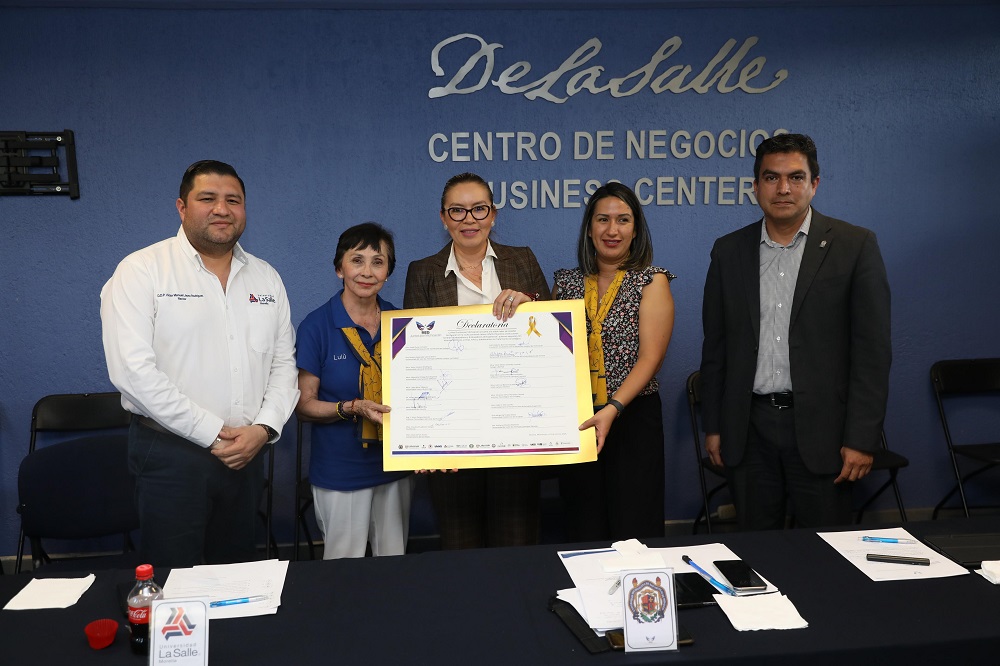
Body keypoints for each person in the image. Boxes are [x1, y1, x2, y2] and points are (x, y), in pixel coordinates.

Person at [101, 160, 299, 568]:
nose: (222, 209)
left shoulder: (266, 277)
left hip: (245, 455)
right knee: (173, 580)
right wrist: (212, 434)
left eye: (233, 200)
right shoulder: (142, 270)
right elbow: (132, 372)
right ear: (182, 207)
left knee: (236, 577)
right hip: (171, 455)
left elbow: (283, 365)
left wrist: (263, 429)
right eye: (207, 198)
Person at [699, 133, 892, 530]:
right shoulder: (728, 251)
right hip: (748, 432)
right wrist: (714, 427)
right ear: (755, 186)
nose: (783, 188)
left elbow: (872, 353)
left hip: (825, 433)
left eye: (796, 177)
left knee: (825, 552)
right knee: (756, 552)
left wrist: (861, 438)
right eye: (771, 177)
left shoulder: (855, 246)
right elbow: (716, 347)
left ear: (814, 184)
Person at [403, 172, 551, 549]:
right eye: (457, 210)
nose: (469, 219)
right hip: (452, 438)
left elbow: (551, 335)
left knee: (516, 546)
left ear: (493, 214)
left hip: (515, 431)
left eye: (479, 209)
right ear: (443, 218)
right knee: (460, 548)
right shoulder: (422, 272)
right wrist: (423, 436)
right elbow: (416, 361)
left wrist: (532, 305)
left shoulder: (522, 259)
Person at [553, 182, 675, 542]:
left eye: (623, 220)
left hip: (633, 418)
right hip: (579, 422)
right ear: (589, 228)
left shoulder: (652, 281)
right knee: (583, 526)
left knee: (634, 528)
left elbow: (652, 358)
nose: (612, 230)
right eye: (603, 219)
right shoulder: (566, 283)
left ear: (635, 229)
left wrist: (614, 407)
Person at [295, 223, 413, 559]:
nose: (367, 272)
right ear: (339, 268)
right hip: (340, 472)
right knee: (342, 571)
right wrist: (351, 407)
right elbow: (304, 406)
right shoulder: (316, 326)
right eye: (357, 260)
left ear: (388, 272)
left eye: (378, 262)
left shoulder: (403, 323)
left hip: (395, 469)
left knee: (393, 564)